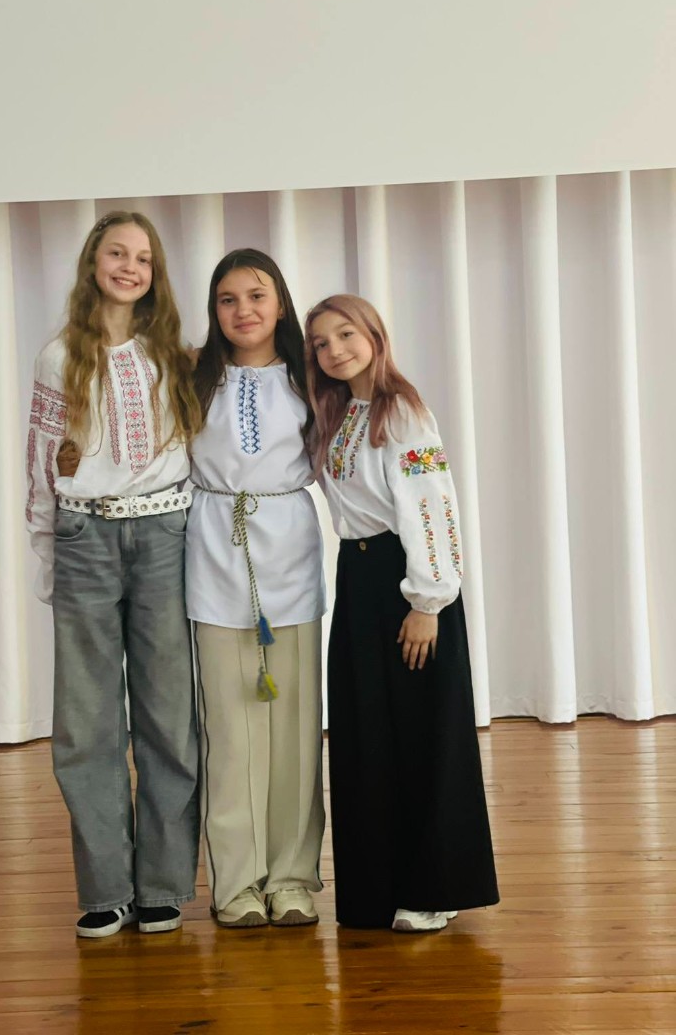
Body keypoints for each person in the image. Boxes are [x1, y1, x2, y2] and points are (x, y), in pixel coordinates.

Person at [26, 210, 202, 939]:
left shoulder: (174, 356)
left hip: (164, 535)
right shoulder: (59, 356)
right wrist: (47, 551)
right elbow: (43, 459)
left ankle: (162, 883)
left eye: (143, 258)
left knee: (167, 715)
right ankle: (105, 888)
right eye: (117, 254)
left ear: (154, 274)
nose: (130, 267)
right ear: (93, 263)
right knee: (87, 721)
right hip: (85, 537)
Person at [304, 294, 499, 932]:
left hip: (406, 580)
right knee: (365, 731)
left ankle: (434, 887)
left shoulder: (403, 412)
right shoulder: (337, 415)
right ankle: (375, 887)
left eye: (345, 334)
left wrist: (428, 601)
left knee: (422, 734)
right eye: (321, 343)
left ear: (374, 334)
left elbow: (432, 507)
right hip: (358, 578)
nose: (335, 350)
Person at [186, 249, 326, 928]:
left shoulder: (310, 376)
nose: (243, 310)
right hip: (214, 547)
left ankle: (293, 876)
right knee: (230, 728)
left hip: (290, 551)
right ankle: (237, 883)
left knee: (295, 727)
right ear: (214, 310)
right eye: (228, 298)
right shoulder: (192, 376)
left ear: (280, 303)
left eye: (256, 295)